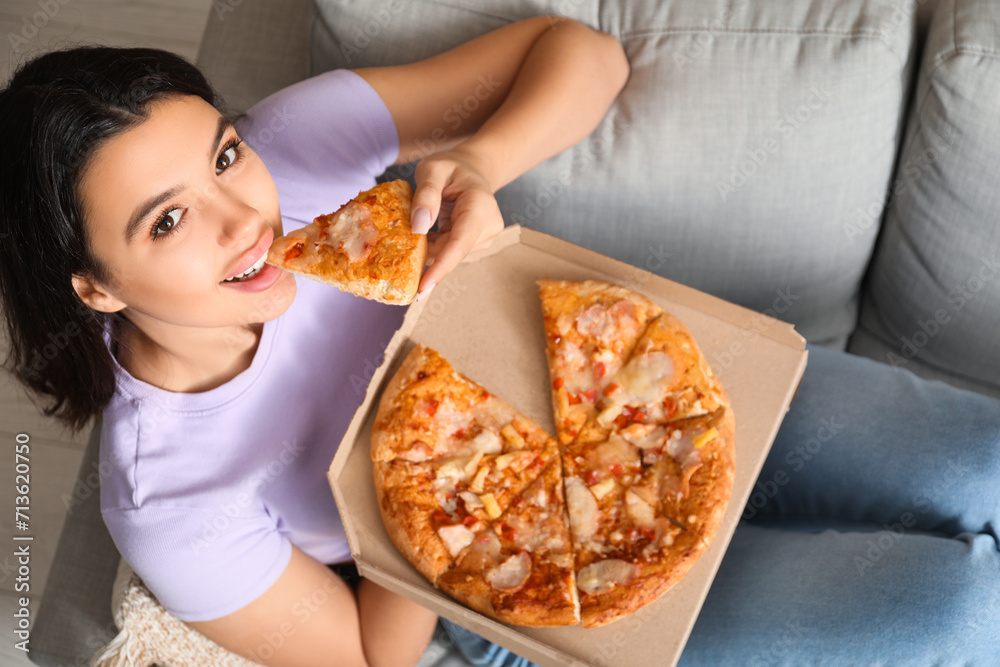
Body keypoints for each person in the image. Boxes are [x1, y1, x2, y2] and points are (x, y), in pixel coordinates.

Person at [0, 16, 627, 667]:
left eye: (224, 156)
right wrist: (454, 445)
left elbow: (592, 57)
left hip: (602, 386)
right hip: (497, 566)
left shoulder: (290, 144)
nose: (246, 219)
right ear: (98, 290)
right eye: (168, 219)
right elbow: (372, 655)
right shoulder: (168, 508)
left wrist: (481, 160)